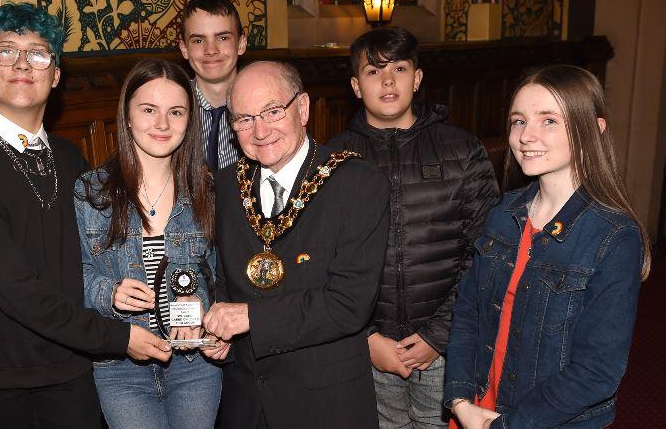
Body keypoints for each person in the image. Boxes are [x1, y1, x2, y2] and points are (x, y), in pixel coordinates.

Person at [0, 3, 171, 428]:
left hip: (72, 366)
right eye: (6, 51)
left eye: (38, 53)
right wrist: (118, 338)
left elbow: (92, 258)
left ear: (56, 75)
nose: (22, 64)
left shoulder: (69, 157)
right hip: (0, 374)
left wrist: (117, 291)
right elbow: (15, 288)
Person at [444, 64, 649, 429]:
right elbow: (469, 313)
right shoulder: (504, 212)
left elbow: (596, 371)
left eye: (549, 121)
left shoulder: (614, 237)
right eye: (518, 121)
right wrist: (460, 399)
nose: (526, 136)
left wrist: (503, 426)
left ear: (594, 130)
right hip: (477, 407)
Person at [326, 27, 500, 427]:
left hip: (445, 342)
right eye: (373, 72)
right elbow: (322, 260)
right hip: (371, 346)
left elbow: (486, 251)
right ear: (356, 85)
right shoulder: (334, 159)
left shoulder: (461, 149)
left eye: (400, 68)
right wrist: (366, 337)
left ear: (417, 78)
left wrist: (438, 335)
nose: (388, 81)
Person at [202, 60, 390, 428]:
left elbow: (349, 303)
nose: (259, 131)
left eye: (272, 111)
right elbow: (224, 279)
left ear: (302, 108)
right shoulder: (225, 186)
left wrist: (250, 318)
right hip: (245, 402)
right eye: (243, 119)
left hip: (325, 403)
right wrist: (216, 327)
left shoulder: (356, 182)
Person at [74, 58, 222, 428]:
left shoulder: (208, 191)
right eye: (148, 110)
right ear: (127, 115)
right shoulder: (91, 192)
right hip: (120, 365)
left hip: (194, 364)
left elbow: (223, 273)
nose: (162, 124)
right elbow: (73, 276)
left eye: (175, 112)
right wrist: (109, 292)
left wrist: (201, 301)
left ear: (189, 121)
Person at [179, 0, 247, 171]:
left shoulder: (262, 109)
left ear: (241, 43)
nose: (211, 50)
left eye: (223, 38)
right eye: (199, 40)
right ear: (184, 49)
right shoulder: (172, 110)